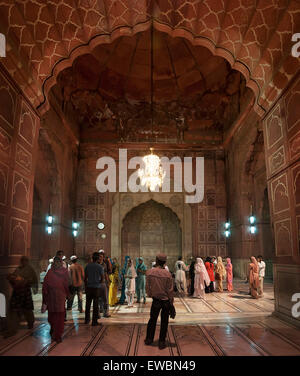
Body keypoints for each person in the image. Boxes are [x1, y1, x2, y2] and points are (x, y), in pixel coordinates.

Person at [144, 253, 174, 350]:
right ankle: (161, 341)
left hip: (156, 300)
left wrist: (150, 294)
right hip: (165, 301)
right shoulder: (168, 274)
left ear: (156, 260)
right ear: (165, 262)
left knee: (152, 320)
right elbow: (170, 291)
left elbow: (147, 287)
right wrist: (171, 302)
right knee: (164, 321)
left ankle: (149, 339)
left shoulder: (150, 272)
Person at [5, 256, 38, 337]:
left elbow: (34, 280)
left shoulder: (30, 270)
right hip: (17, 293)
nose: (23, 262)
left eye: (25, 261)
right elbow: (13, 277)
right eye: (22, 261)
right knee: (14, 310)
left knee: (27, 310)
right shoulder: (18, 269)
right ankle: (12, 329)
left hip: (25, 292)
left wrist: (33, 287)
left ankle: (30, 322)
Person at [42, 256, 70, 343]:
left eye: (59, 262)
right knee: (52, 316)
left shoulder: (63, 272)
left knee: (59, 317)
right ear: (54, 263)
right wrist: (45, 298)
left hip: (60, 297)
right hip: (52, 297)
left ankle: (57, 335)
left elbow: (66, 284)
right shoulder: (50, 272)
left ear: (61, 263)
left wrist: (67, 294)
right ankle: (54, 329)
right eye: (56, 262)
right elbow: (45, 286)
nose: (57, 264)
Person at [84, 252, 104, 325]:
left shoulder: (87, 266)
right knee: (95, 305)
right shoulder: (100, 267)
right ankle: (94, 322)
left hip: (89, 287)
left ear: (92, 258)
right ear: (98, 258)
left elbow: (85, 278)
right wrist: (98, 283)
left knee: (88, 304)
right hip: (96, 288)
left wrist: (86, 286)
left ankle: (87, 320)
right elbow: (102, 278)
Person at [98, 252, 111, 317]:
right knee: (98, 298)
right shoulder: (96, 264)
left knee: (105, 298)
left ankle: (106, 312)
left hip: (103, 283)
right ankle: (99, 311)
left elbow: (106, 274)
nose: (101, 258)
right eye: (99, 257)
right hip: (97, 283)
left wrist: (108, 282)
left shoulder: (104, 265)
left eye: (102, 257)